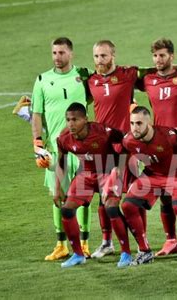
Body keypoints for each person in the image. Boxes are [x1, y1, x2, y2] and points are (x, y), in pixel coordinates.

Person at [135, 38, 177, 257]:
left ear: (172, 56)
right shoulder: (148, 80)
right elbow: (127, 76)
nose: (158, 60)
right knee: (164, 194)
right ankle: (171, 240)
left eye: (162, 55)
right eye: (155, 56)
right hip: (159, 147)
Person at [30, 37, 92, 260]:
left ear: (71, 54)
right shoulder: (42, 80)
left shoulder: (83, 76)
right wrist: (37, 144)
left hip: (82, 147)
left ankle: (84, 243)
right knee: (57, 196)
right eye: (54, 53)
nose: (57, 57)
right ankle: (61, 244)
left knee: (84, 195)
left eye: (62, 53)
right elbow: (36, 114)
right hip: (56, 149)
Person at [54, 103, 131, 268]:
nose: (71, 124)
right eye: (68, 120)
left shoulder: (103, 132)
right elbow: (61, 162)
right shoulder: (65, 138)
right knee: (67, 210)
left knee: (111, 208)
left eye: (75, 119)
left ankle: (126, 252)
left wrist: (119, 171)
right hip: (86, 174)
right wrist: (57, 188)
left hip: (108, 171)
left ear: (85, 119)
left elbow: (126, 144)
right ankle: (78, 254)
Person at [120, 106, 177, 265]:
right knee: (127, 205)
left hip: (176, 174)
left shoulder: (169, 136)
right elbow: (127, 159)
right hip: (152, 175)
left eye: (139, 123)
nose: (135, 127)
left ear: (149, 123)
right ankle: (145, 251)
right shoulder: (128, 140)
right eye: (132, 123)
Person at [86, 40, 142, 259]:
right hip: (103, 146)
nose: (100, 61)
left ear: (113, 55)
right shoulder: (90, 81)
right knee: (104, 196)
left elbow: (153, 73)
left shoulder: (127, 75)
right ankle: (107, 242)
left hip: (127, 145)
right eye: (97, 56)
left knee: (133, 196)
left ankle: (141, 244)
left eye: (104, 56)